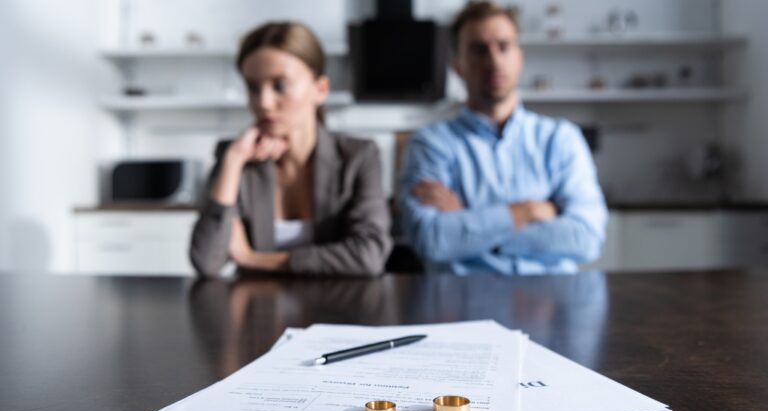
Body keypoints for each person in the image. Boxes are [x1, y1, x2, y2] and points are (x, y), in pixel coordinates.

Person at [399, 1, 608, 275]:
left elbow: (587, 237)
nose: (494, 60)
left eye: (504, 46)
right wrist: (527, 212)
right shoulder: (430, 144)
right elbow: (432, 240)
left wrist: (469, 226)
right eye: (478, 49)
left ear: (519, 57)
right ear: (457, 66)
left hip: (551, 304)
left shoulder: (560, 139)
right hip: (462, 303)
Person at [190, 22, 391, 277]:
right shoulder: (236, 157)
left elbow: (369, 256)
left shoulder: (358, 157)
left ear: (320, 90)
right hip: (258, 311)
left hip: (335, 309)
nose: (263, 102)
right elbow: (206, 261)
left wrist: (253, 259)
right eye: (253, 88)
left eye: (280, 86)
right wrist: (233, 160)